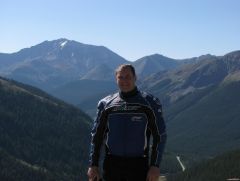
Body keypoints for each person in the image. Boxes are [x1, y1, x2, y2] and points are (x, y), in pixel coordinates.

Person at [87, 64, 167, 181]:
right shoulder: (106, 104)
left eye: (128, 77)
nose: (124, 81)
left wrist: (155, 165)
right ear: (116, 79)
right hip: (111, 164)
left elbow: (160, 136)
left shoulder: (150, 103)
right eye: (121, 77)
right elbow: (97, 136)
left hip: (139, 164)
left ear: (135, 78)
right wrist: (93, 164)